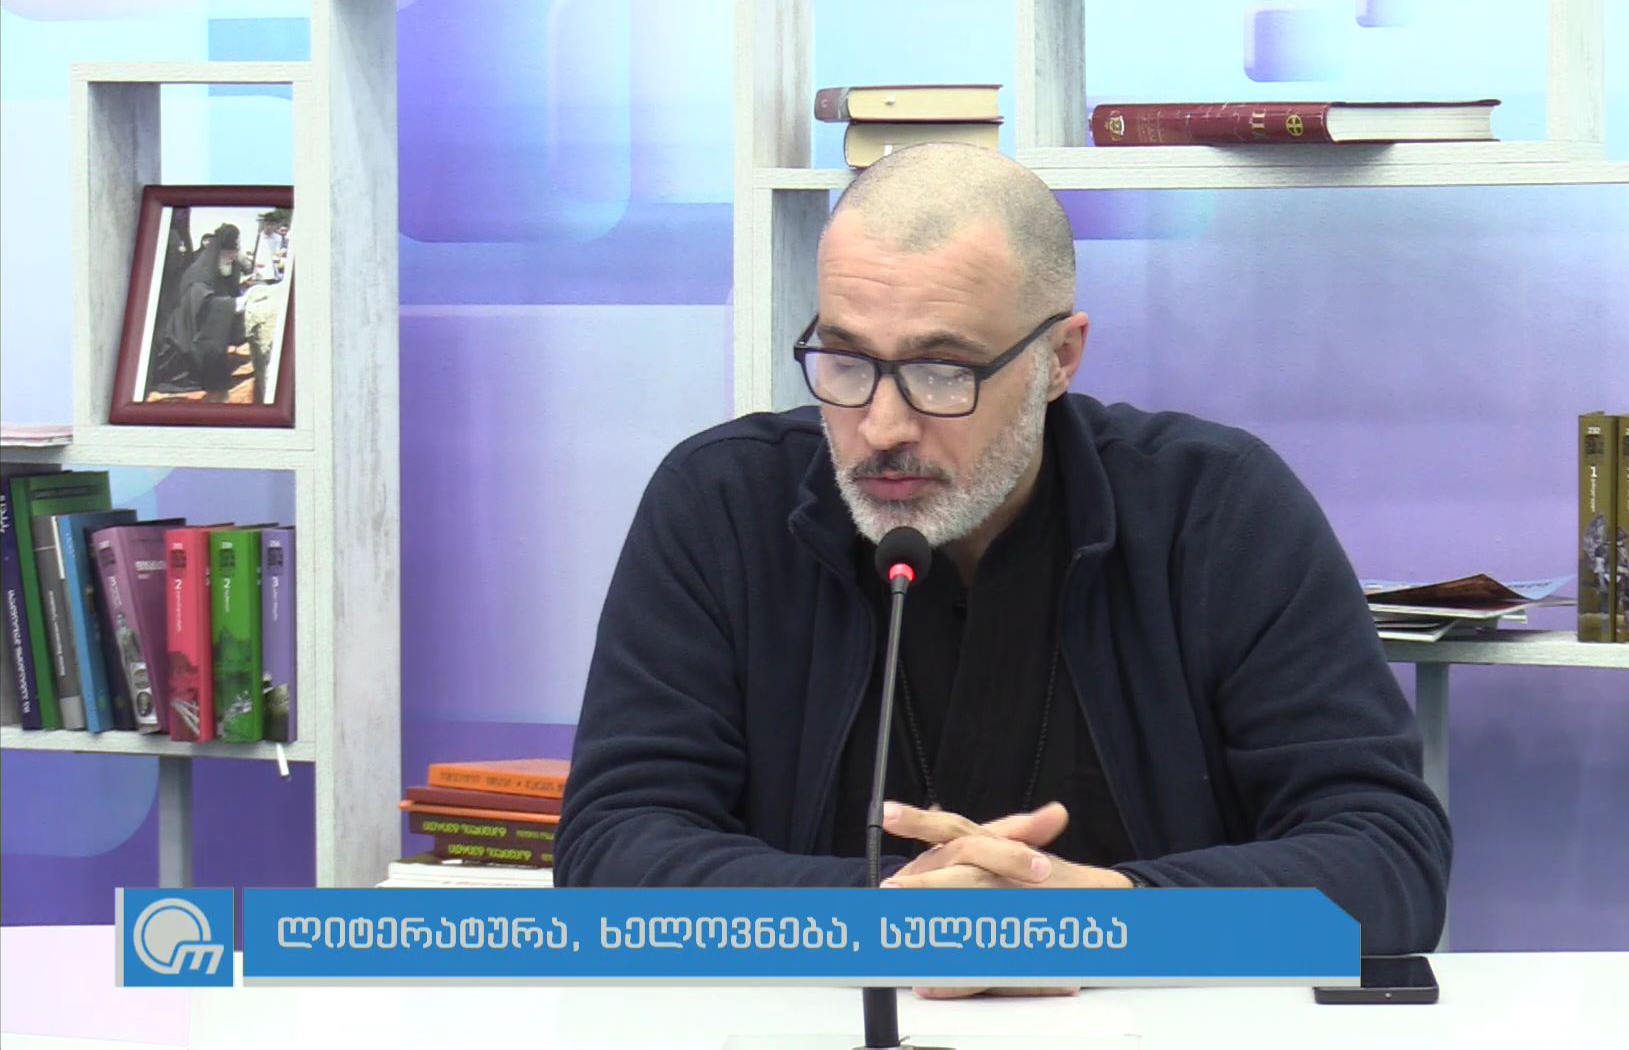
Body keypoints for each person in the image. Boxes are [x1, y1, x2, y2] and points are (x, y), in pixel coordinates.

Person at [555, 144, 1451, 962]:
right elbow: (611, 853)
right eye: (847, 361)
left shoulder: (1216, 511)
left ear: (1060, 357)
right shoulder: (721, 505)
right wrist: (893, 919)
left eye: (943, 371)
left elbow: (1386, 863)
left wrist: (1112, 920)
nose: (883, 426)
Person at [147, 223, 246, 400]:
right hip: (180, 350)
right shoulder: (199, 274)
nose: (234, 256)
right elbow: (204, 306)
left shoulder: (219, 270)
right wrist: (234, 304)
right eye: (231, 252)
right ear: (220, 251)